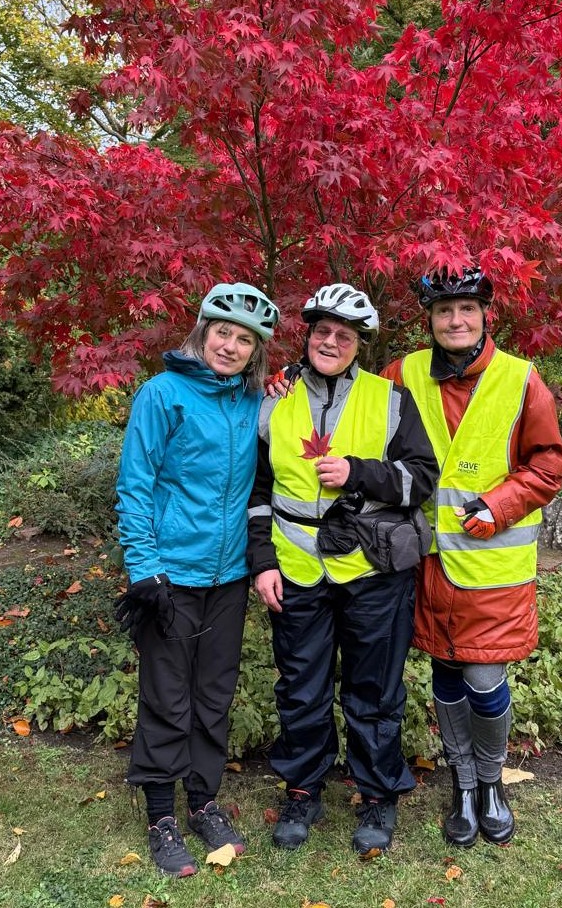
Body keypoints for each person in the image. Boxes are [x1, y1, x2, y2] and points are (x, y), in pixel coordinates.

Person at [247, 283, 439, 855]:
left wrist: (359, 471)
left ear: (360, 345)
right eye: (322, 331)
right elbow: (256, 491)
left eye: (345, 335)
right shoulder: (273, 400)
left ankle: (377, 793)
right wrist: (261, 563)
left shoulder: (390, 400)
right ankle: (303, 789)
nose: (331, 341)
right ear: (306, 336)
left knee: (374, 690)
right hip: (296, 568)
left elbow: (421, 480)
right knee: (301, 689)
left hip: (371, 571)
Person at [383, 266, 562, 848]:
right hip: (426, 563)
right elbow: (350, 415)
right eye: (443, 311)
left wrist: (501, 504)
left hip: (493, 566)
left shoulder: (521, 379)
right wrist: (291, 382)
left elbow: (548, 462)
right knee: (445, 674)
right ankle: (463, 785)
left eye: (466, 309)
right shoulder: (404, 373)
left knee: (486, 680)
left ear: (485, 314)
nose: (455, 320)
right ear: (430, 319)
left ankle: (491, 782)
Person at [115, 282, 280, 878]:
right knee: (167, 695)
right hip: (171, 575)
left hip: (230, 575)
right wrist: (144, 568)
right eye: (223, 332)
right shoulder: (163, 394)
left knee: (214, 695)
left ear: (256, 350)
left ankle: (203, 801)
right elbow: (135, 485)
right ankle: (161, 813)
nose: (231, 346)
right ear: (202, 332)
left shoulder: (253, 402)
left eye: (245, 339)